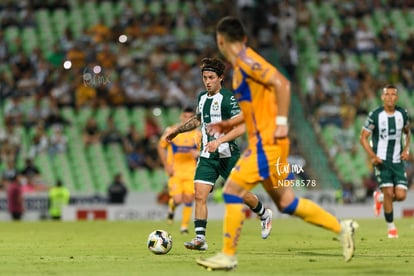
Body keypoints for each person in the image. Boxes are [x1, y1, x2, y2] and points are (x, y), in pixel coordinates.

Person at [196, 17, 359, 270]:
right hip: (267, 143)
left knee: (231, 192)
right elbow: (255, 110)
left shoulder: (248, 61)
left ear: (220, 41)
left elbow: (282, 83)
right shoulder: (241, 67)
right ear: (244, 38)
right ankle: (342, 227)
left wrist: (282, 120)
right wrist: (229, 124)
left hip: (267, 143)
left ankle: (228, 255)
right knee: (286, 203)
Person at [165, 57, 274, 251]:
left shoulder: (228, 98)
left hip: (227, 154)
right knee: (199, 195)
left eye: (211, 77)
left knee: (240, 194)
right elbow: (198, 120)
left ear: (220, 78)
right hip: (207, 155)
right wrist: (178, 131)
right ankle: (200, 239)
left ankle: (264, 214)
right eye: (205, 77)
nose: (207, 81)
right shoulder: (202, 97)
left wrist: (219, 141)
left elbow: (241, 128)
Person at [360, 84, 410, 238]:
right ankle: (391, 228)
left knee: (401, 195)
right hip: (381, 160)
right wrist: (373, 156)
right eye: (386, 94)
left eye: (393, 94)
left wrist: (406, 149)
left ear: (397, 97)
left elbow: (407, 133)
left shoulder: (403, 114)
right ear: (382, 97)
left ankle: (379, 198)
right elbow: (363, 137)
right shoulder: (375, 115)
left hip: (397, 161)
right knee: (389, 191)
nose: (389, 97)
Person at [158, 107, 201, 234]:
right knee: (177, 199)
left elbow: (206, 150)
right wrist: (166, 165)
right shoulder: (172, 131)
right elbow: (161, 147)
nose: (187, 119)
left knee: (188, 199)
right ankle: (172, 207)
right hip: (175, 171)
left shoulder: (198, 135)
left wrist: (197, 153)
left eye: (190, 117)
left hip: (191, 172)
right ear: (181, 117)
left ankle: (184, 227)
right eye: (185, 117)